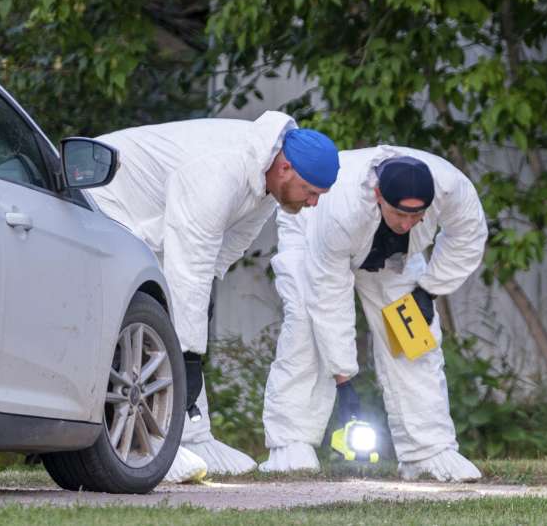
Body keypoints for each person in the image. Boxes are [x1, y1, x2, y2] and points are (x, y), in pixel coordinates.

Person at [87, 111, 339, 482]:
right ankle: (152, 443)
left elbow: (225, 248)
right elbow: (189, 267)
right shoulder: (220, 170)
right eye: (311, 191)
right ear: (285, 168)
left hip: (155, 225)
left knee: (186, 315)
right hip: (104, 201)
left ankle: (194, 437)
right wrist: (188, 354)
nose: (313, 203)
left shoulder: (265, 185)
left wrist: (198, 314)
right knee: (151, 320)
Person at [258, 146, 488, 481]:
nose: (407, 223)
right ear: (379, 195)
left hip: (395, 258)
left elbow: (468, 236)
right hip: (312, 233)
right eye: (400, 214)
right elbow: (329, 296)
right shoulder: (341, 209)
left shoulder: (452, 189)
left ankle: (427, 451)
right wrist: (344, 380)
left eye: (416, 216)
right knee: (307, 327)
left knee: (413, 341)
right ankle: (291, 446)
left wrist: (429, 289)